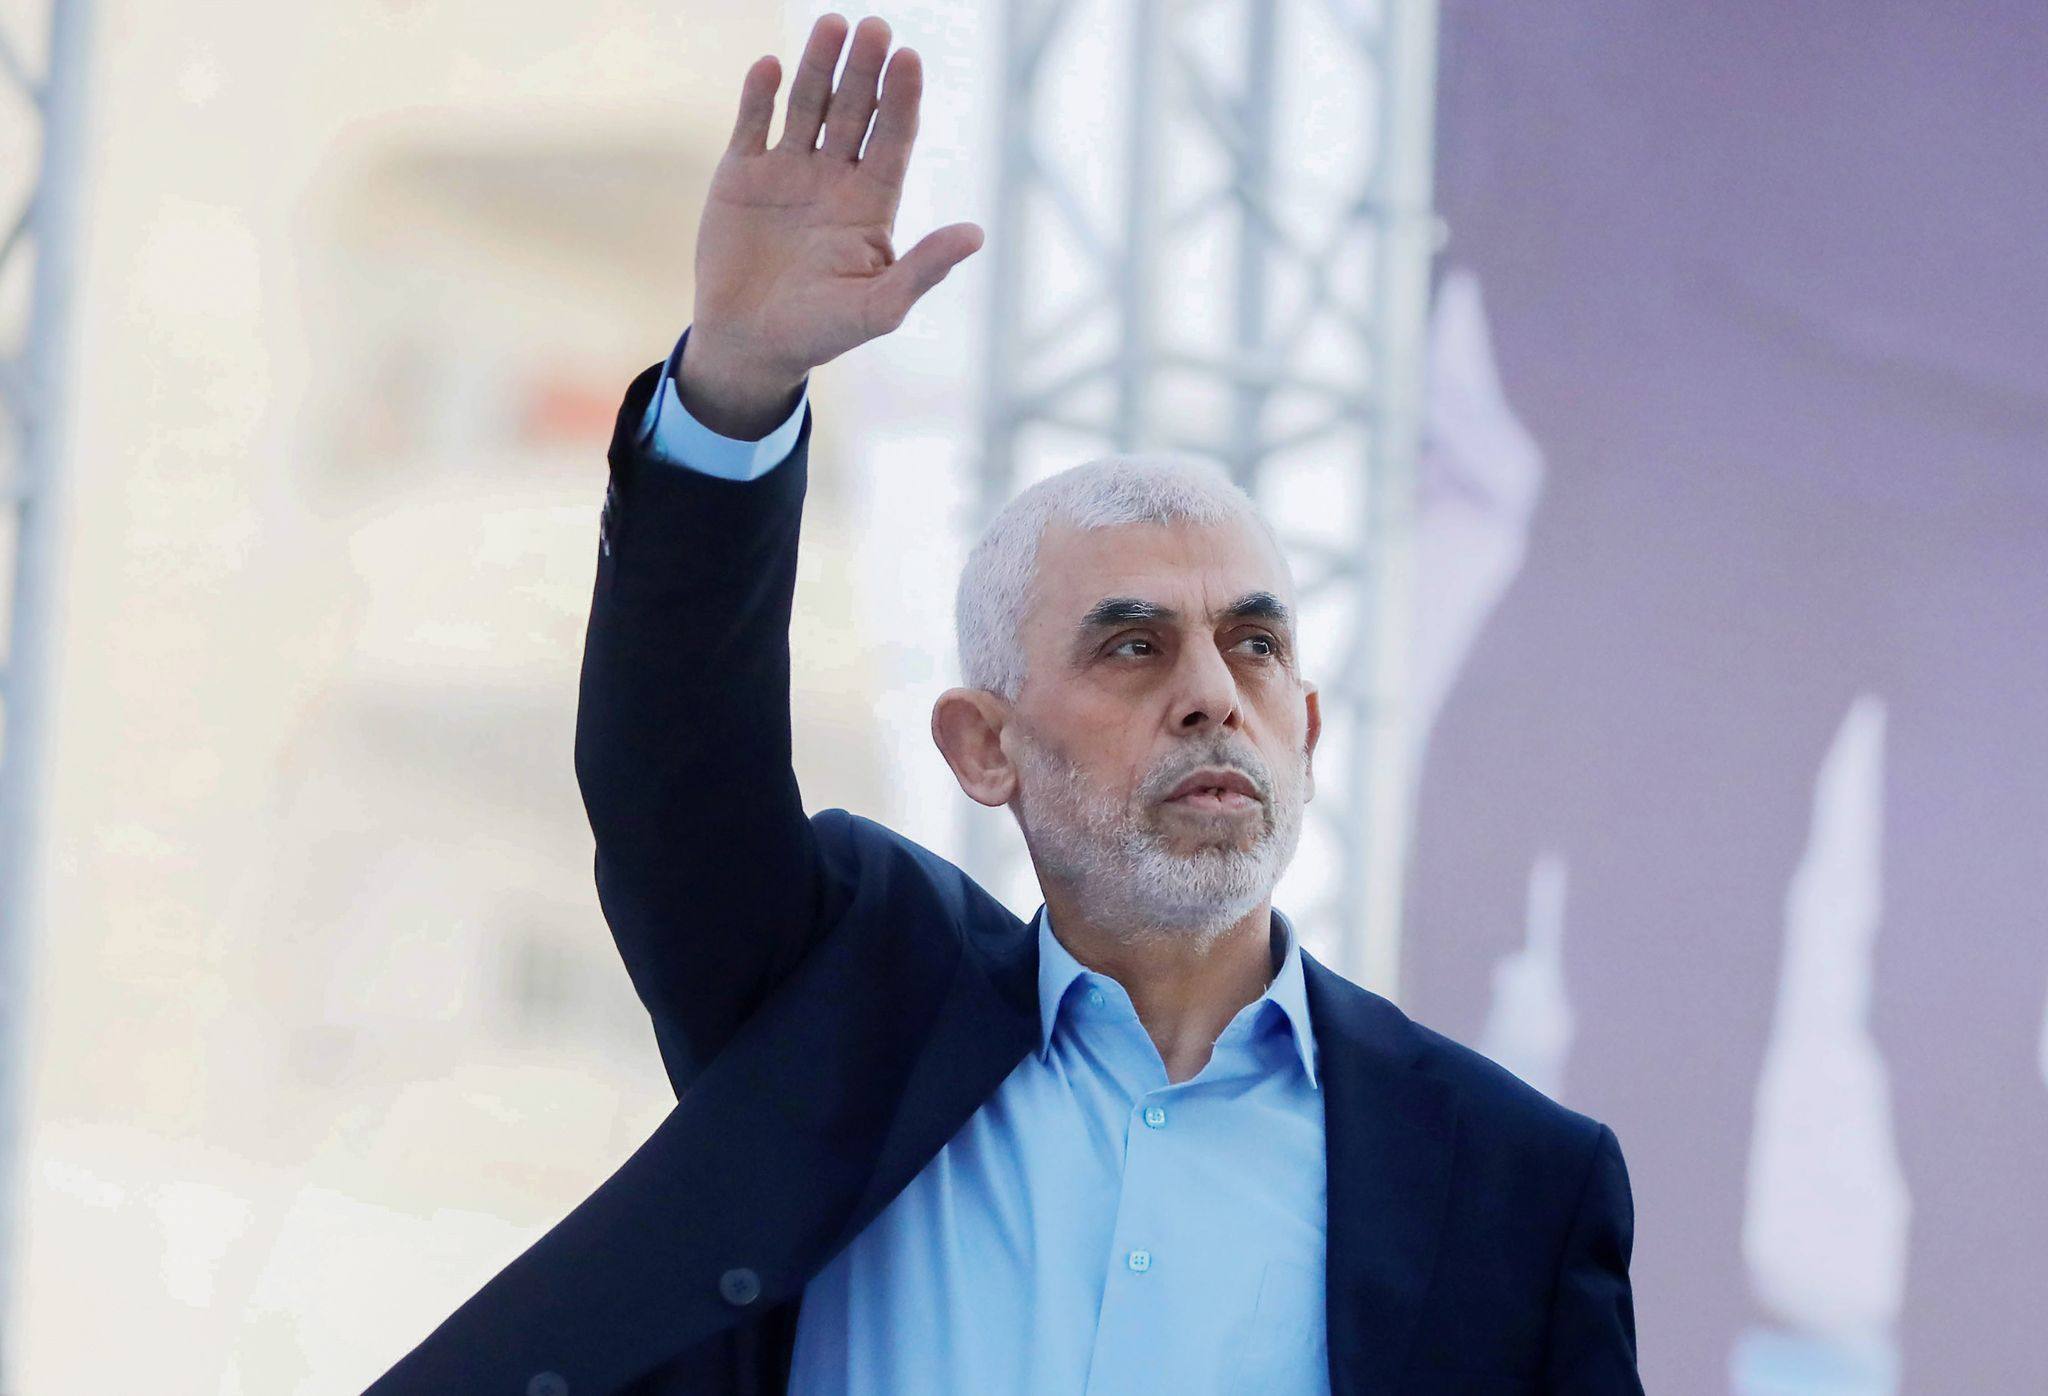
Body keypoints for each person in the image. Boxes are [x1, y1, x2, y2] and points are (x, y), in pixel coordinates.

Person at [364, 13, 1641, 1394]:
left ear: (1310, 731)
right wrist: (734, 390)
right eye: (1134, 648)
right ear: (986, 747)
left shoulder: (1512, 1180)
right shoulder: (842, 1008)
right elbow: (673, 774)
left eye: (1255, 646)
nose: (1213, 696)